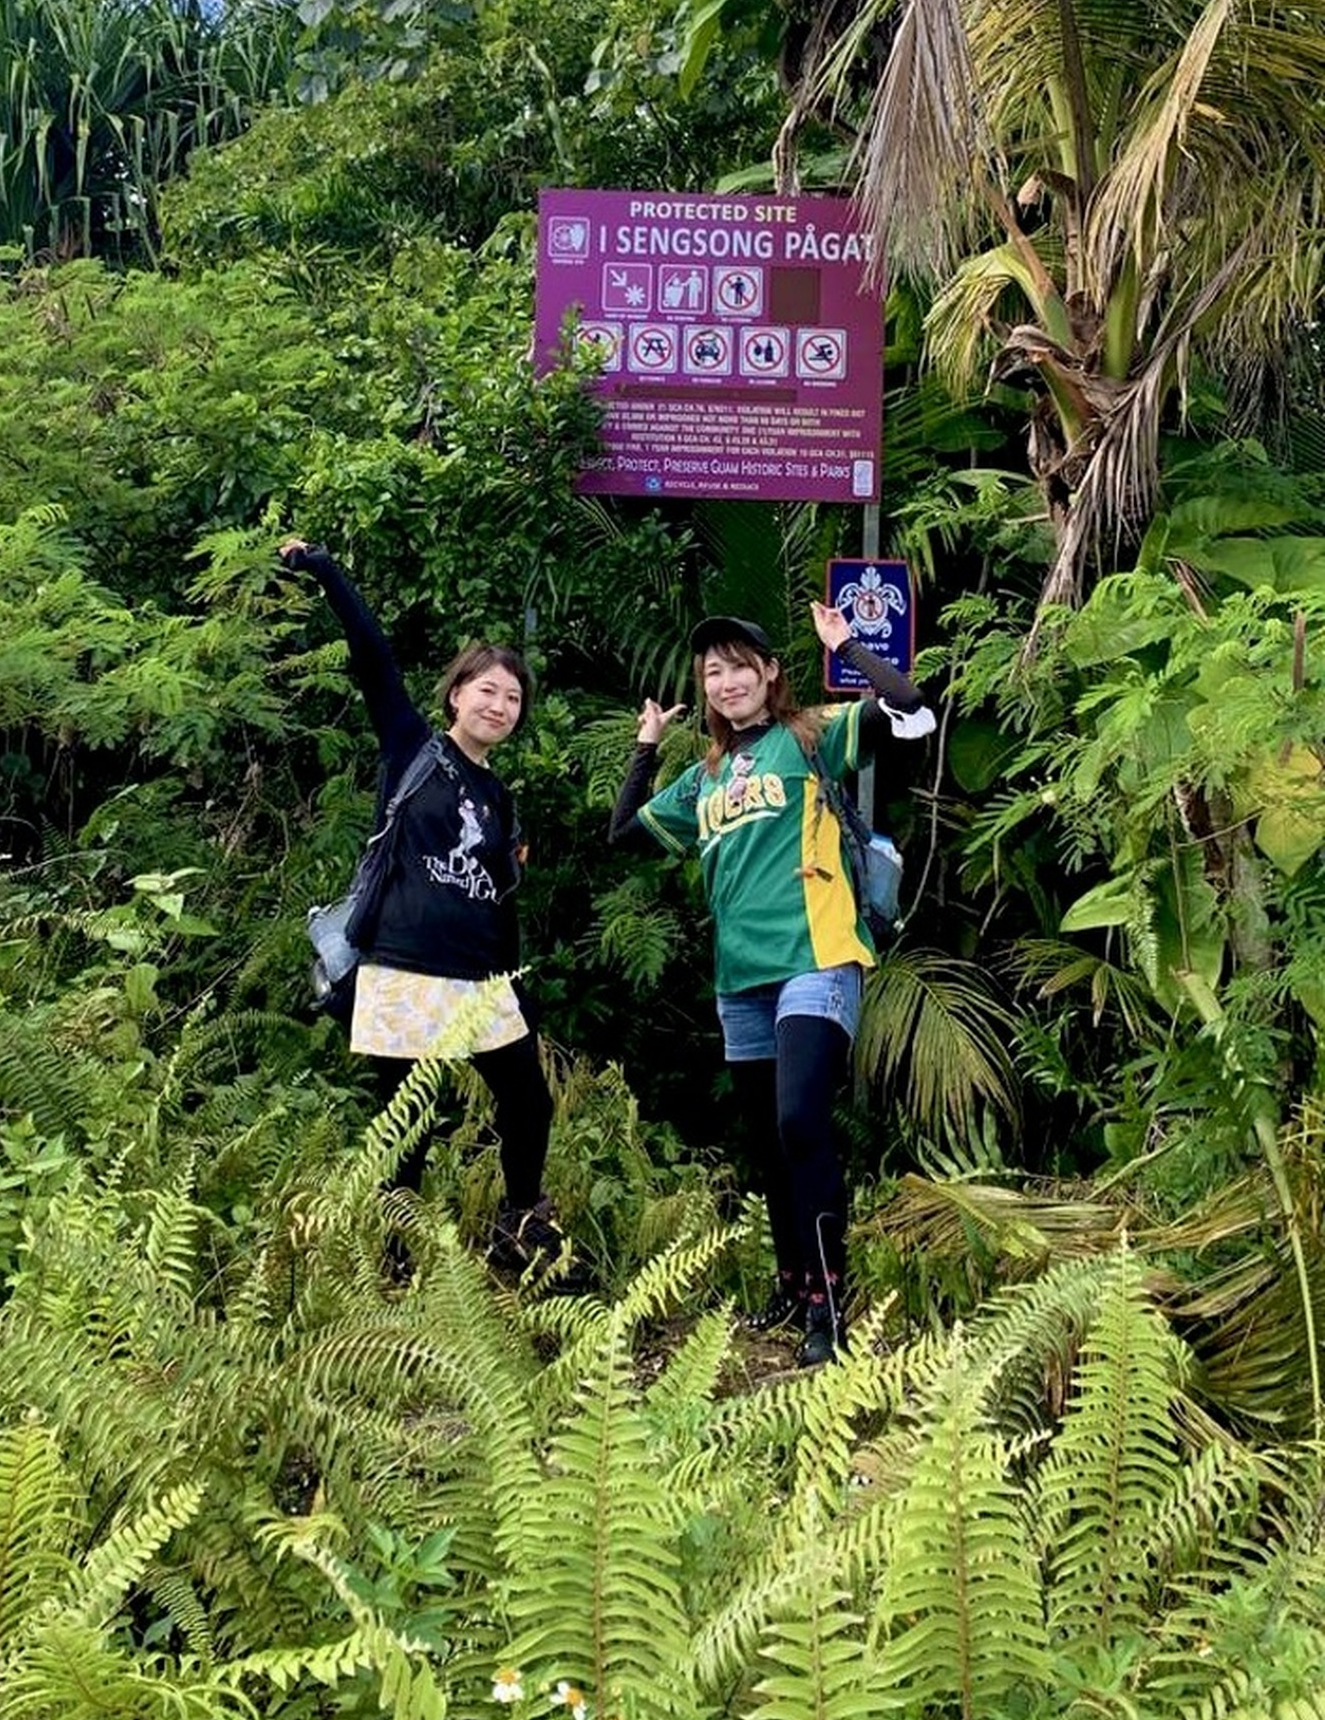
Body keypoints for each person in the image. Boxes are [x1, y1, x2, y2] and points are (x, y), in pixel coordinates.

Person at [610, 602, 934, 1366]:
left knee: (799, 1123)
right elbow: (623, 834)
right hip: (741, 980)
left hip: (816, 957)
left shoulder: (811, 734)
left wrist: (846, 644)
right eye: (712, 670)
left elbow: (913, 711)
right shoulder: (706, 776)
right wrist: (646, 747)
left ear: (769, 673)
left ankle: (829, 1302)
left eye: (739, 666)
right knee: (767, 1142)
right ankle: (792, 1285)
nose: (726, 682)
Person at [279, 536, 555, 1270]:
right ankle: (393, 1270)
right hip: (402, 971)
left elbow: (496, 896)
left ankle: (518, 1232)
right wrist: (328, 572)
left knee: (529, 1104)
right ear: (457, 694)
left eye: (513, 697)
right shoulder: (412, 748)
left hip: (480, 980)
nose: (499, 704)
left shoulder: (498, 797)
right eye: (487, 689)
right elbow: (373, 658)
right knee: (409, 1126)